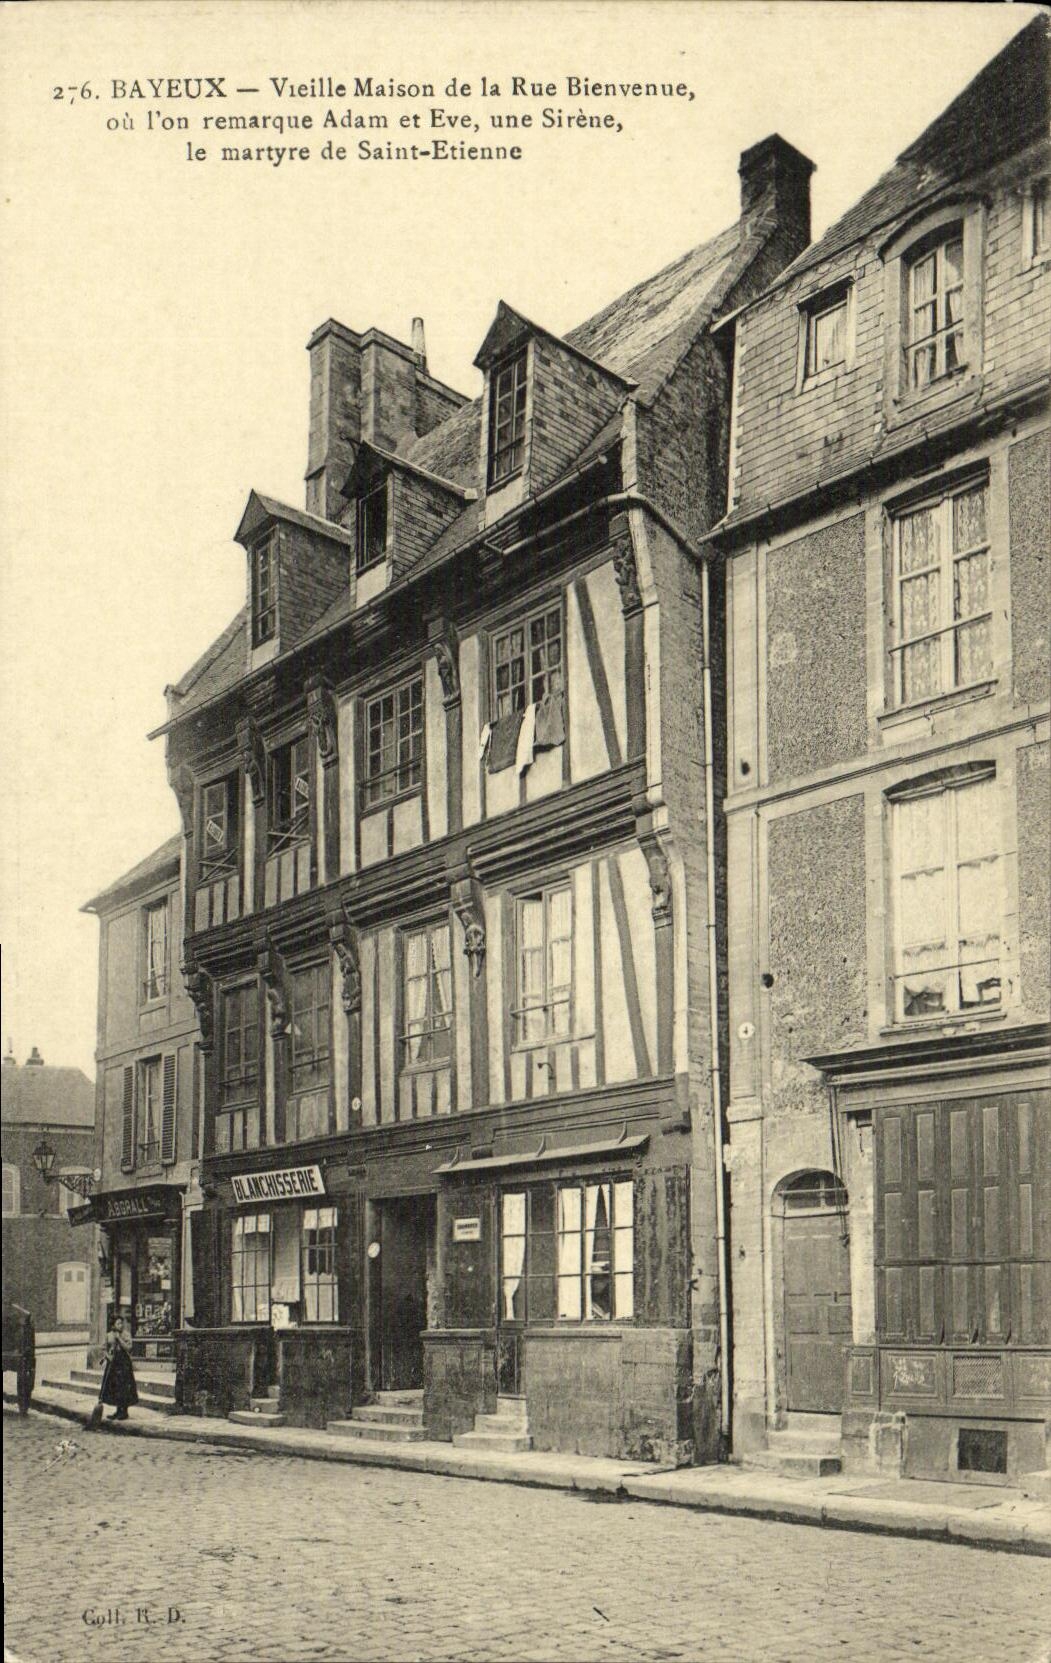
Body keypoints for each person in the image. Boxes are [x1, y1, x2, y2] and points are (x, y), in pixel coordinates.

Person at [100, 1316, 139, 1421]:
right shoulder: (109, 1335)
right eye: (118, 1323)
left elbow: (129, 1348)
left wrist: (119, 1339)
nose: (120, 1325)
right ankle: (118, 1411)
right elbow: (104, 1348)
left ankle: (124, 1412)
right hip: (113, 1364)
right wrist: (108, 1356)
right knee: (115, 1387)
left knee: (124, 1386)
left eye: (121, 1323)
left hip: (124, 1363)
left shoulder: (126, 1334)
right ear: (113, 1325)